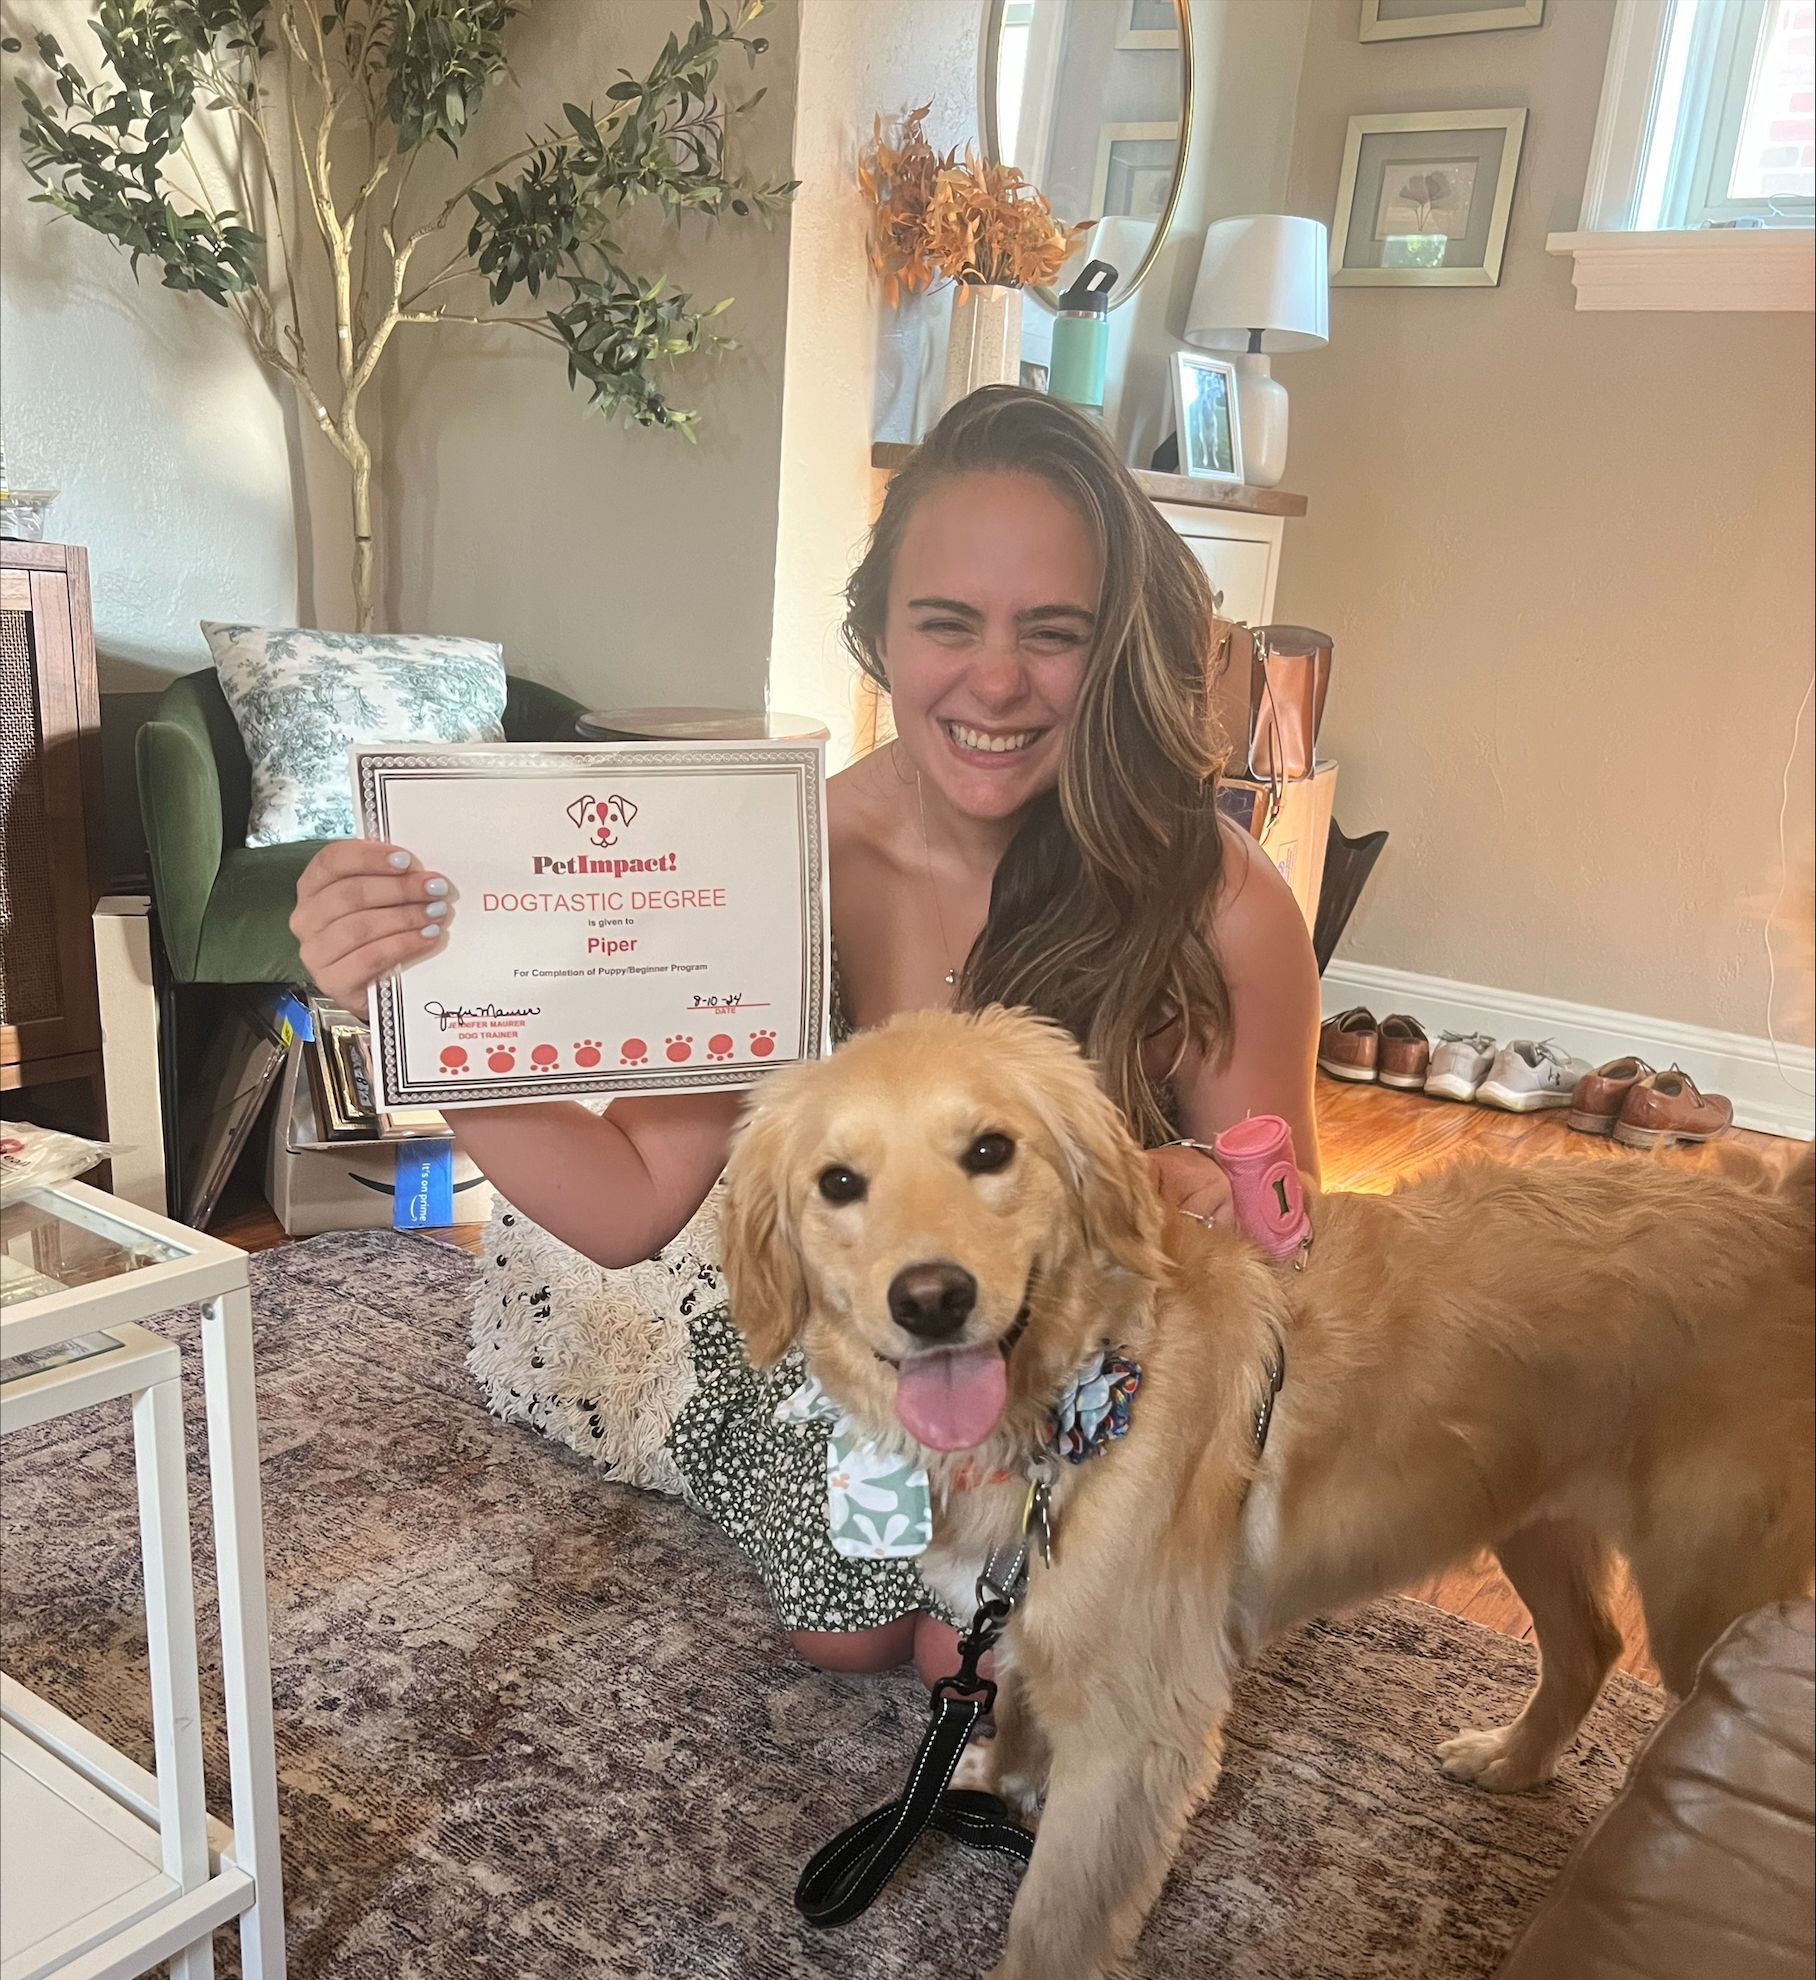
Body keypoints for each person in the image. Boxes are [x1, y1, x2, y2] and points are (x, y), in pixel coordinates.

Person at [291, 385, 1321, 1684]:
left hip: (1087, 1365)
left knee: (980, 1664)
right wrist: (411, 1003)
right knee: (851, 1635)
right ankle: (749, 1419)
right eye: (948, 623)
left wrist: (1201, 1203)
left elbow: (1285, 1253)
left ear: (1113, 643)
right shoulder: (776, 866)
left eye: (1052, 632)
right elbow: (624, 1206)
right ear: (880, 634)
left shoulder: (1222, 902)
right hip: (867, 1355)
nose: (996, 680)